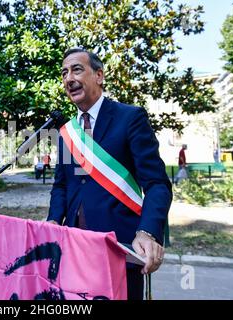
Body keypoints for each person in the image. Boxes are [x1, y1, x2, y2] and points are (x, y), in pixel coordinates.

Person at [47, 48, 172, 300]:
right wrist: (52, 221)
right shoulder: (67, 132)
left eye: (77, 69)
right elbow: (62, 186)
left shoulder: (130, 118)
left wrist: (147, 232)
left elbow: (157, 184)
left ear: (99, 75)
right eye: (64, 73)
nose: (68, 78)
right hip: (74, 247)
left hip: (119, 248)